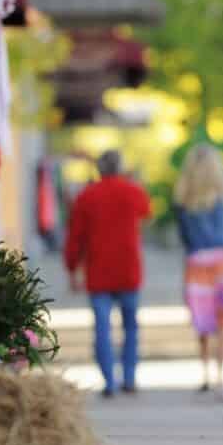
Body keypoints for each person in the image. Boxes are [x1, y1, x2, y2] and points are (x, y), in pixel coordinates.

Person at [64, 151, 152, 397]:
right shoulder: (133, 191)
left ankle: (109, 382)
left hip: (98, 271)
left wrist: (72, 269)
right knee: (131, 327)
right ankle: (130, 377)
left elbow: (75, 238)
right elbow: (147, 212)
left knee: (102, 328)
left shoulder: (87, 196)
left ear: (99, 170)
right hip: (128, 269)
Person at [174, 145, 223, 392]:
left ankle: (205, 374)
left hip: (197, 260)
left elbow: (183, 234)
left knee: (203, 319)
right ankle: (222, 374)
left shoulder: (183, 197)